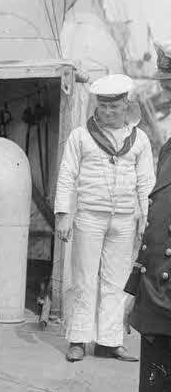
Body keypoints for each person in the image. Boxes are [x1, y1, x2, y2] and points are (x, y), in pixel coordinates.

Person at [103, 46, 171, 392]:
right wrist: (134, 287)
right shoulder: (168, 148)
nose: (166, 91)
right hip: (158, 305)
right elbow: (157, 230)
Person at [54, 74, 155, 362]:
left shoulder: (140, 140)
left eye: (115, 107)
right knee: (84, 278)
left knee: (117, 280)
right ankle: (78, 338)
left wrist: (146, 219)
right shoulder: (81, 135)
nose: (108, 112)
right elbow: (67, 175)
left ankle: (109, 341)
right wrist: (63, 215)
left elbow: (146, 183)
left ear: (126, 105)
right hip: (89, 216)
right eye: (103, 106)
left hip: (123, 219)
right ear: (97, 105)